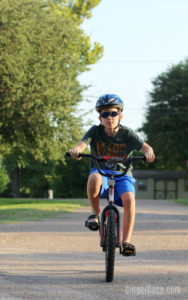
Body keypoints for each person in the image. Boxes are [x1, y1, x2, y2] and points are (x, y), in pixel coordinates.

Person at [69, 94, 155, 256]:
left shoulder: (128, 134)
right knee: (94, 177)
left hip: (122, 174)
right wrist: (76, 151)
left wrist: (149, 154)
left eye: (113, 114)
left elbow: (146, 148)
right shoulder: (95, 131)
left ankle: (126, 241)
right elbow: (81, 144)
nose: (110, 118)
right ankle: (95, 214)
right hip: (101, 172)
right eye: (105, 114)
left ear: (120, 116)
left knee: (129, 199)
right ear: (100, 118)